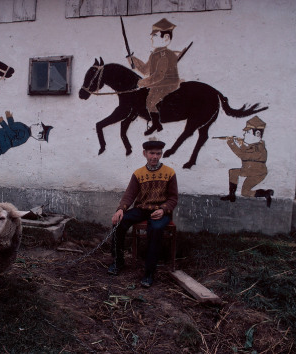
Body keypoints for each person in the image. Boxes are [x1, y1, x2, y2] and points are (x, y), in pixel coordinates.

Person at [109, 140, 178, 287]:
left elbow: (173, 198)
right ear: (145, 154)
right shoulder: (138, 173)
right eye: (151, 153)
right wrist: (121, 209)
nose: (154, 156)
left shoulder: (169, 173)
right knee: (119, 221)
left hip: (160, 211)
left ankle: (149, 272)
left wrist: (163, 209)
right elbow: (129, 195)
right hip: (142, 209)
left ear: (161, 154)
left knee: (156, 229)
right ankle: (118, 261)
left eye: (158, 153)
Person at [127, 18, 183, 135]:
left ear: (166, 38)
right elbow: (145, 70)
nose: (151, 38)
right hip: (158, 83)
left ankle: (156, 125)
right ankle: (156, 124)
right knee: (148, 100)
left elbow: (158, 76)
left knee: (151, 101)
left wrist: (142, 83)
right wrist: (133, 59)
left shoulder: (166, 55)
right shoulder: (155, 54)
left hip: (168, 83)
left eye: (155, 36)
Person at [220, 116, 274, 207]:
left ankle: (264, 193)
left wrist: (232, 143)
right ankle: (232, 195)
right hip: (250, 170)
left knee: (236, 176)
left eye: (247, 132)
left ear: (257, 134)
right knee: (244, 191)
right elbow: (245, 151)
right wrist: (240, 143)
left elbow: (243, 155)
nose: (244, 134)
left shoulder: (259, 148)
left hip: (257, 172)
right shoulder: (253, 145)